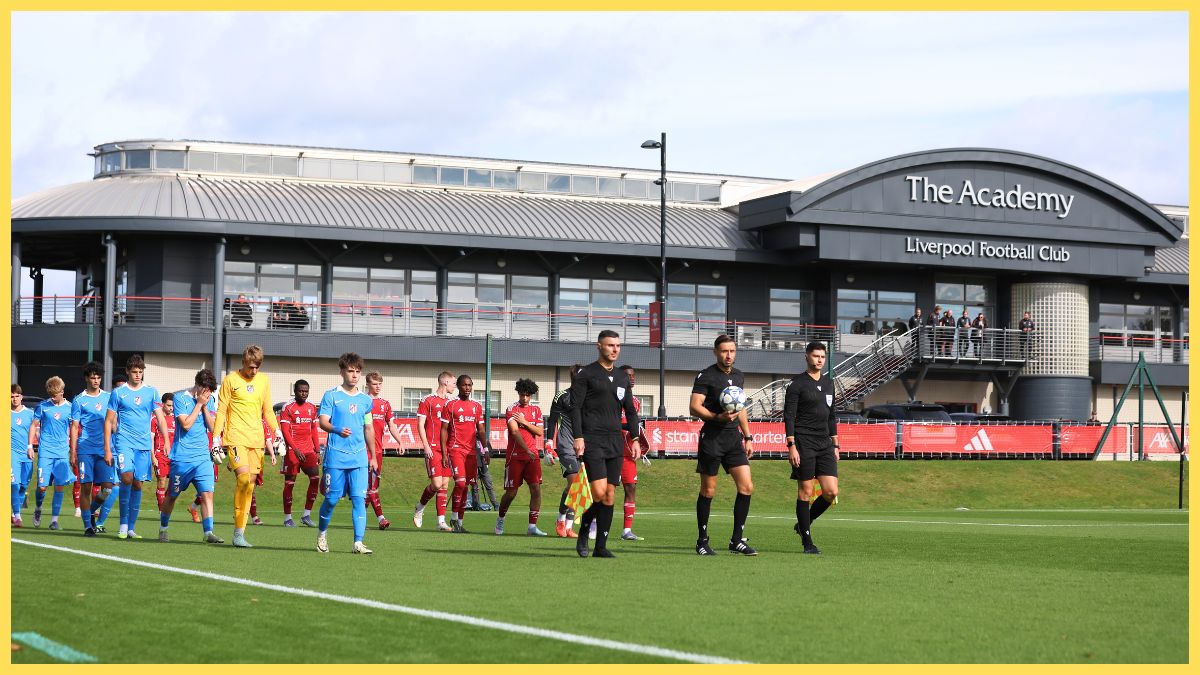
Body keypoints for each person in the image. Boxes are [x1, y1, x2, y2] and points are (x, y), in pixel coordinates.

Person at [570, 330, 646, 559]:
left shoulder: (623, 377)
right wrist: (578, 436)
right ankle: (584, 530)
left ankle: (600, 547)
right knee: (599, 492)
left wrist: (634, 438)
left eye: (618, 345)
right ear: (599, 346)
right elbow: (575, 408)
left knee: (610, 496)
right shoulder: (586, 374)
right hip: (592, 439)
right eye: (610, 345)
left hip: (615, 441)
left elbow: (630, 411)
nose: (615, 349)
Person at [689, 334, 757, 556]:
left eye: (732, 351)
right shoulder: (706, 375)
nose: (729, 355)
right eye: (725, 351)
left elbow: (741, 409)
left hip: (733, 440)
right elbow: (694, 406)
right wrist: (716, 418)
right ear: (716, 352)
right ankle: (702, 541)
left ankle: (736, 540)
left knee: (746, 487)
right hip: (712, 438)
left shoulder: (738, 376)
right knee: (708, 491)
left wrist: (747, 437)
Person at [212, 344, 279, 548]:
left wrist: (278, 433)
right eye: (251, 366)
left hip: (256, 440)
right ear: (243, 363)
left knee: (249, 485)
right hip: (235, 438)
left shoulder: (264, 381)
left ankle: (239, 533)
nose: (254, 370)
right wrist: (216, 438)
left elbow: (268, 410)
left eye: (257, 366)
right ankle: (238, 530)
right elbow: (222, 410)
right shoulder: (230, 380)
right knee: (242, 479)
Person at [315, 352, 378, 554]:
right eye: (350, 371)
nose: (354, 375)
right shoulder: (331, 395)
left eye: (358, 372)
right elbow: (323, 421)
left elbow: (369, 428)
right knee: (332, 499)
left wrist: (373, 456)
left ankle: (358, 543)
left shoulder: (365, 400)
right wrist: (336, 429)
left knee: (360, 499)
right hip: (336, 456)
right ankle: (322, 534)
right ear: (342, 371)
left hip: (359, 457)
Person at [784, 341, 840, 555]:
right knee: (805, 492)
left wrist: (835, 443)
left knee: (831, 492)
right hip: (803, 442)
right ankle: (808, 542)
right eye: (815, 356)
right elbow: (789, 416)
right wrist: (791, 445)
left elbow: (831, 415)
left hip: (825, 444)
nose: (819, 360)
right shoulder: (797, 384)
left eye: (822, 357)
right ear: (807, 356)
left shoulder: (829, 384)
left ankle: (804, 524)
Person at [104, 354, 169, 540]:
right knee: (126, 477)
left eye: (140, 372)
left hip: (143, 445)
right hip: (124, 442)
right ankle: (123, 524)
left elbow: (160, 418)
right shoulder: (118, 393)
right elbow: (108, 421)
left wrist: (166, 441)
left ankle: (131, 527)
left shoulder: (152, 392)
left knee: (137, 483)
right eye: (134, 372)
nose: (138, 375)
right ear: (127, 372)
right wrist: (107, 448)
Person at [157, 369, 223, 544]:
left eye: (210, 391)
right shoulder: (180, 398)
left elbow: (212, 427)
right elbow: (186, 424)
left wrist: (205, 406)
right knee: (172, 495)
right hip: (182, 458)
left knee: (207, 494)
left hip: (203, 457)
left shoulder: (209, 400)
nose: (208, 393)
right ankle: (163, 528)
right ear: (198, 385)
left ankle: (208, 532)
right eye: (205, 390)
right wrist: (199, 404)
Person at [440, 375, 491, 533]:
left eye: (470, 385)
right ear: (459, 387)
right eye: (464, 385)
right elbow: (443, 430)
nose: (467, 388)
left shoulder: (476, 406)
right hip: (456, 450)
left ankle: (459, 523)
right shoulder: (451, 405)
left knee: (466, 486)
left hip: (471, 453)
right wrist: (444, 453)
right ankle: (454, 517)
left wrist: (485, 449)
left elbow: (481, 430)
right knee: (460, 483)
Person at [495, 378, 546, 536]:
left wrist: (525, 422)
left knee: (536, 489)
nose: (524, 398)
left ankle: (532, 527)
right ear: (518, 393)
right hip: (515, 456)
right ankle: (500, 519)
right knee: (511, 493)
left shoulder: (536, 411)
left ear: (531, 395)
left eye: (527, 395)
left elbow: (539, 432)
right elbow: (515, 432)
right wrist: (526, 449)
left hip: (532, 457)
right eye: (522, 394)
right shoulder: (511, 409)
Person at [70, 362, 114, 535]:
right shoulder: (79, 400)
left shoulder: (109, 397)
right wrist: (73, 451)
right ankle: (88, 526)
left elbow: (113, 420)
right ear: (86, 378)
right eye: (92, 377)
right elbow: (74, 427)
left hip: (104, 449)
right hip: (85, 449)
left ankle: (90, 512)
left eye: (98, 377)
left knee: (108, 488)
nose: (96, 380)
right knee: (86, 487)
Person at [30, 377, 74, 529]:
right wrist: (30, 446)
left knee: (60, 485)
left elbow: (74, 428)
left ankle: (54, 521)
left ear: (62, 392)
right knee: (42, 487)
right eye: (50, 395)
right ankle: (38, 508)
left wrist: (73, 449)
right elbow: (34, 425)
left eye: (54, 395)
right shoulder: (42, 406)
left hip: (62, 452)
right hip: (45, 452)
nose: (52, 398)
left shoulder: (70, 407)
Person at [545, 364, 582, 538]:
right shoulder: (562, 396)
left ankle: (568, 527)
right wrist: (548, 444)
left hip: (584, 448)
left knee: (579, 487)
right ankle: (560, 520)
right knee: (574, 483)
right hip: (566, 446)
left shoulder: (590, 398)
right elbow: (552, 420)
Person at [414, 371, 454, 531]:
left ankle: (441, 522)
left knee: (444, 484)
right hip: (432, 448)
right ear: (445, 382)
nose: (454, 386)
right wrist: (426, 445)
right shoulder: (428, 400)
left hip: (446, 450)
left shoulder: (452, 403)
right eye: (452, 383)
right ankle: (420, 507)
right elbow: (420, 425)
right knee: (436, 484)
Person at [364, 371, 404, 530]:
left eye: (380, 383)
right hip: (364, 450)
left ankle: (362, 518)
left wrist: (400, 440)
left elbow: (392, 425)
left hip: (378, 451)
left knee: (372, 486)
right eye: (374, 383)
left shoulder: (385, 404)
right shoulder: (362, 401)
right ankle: (381, 518)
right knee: (371, 486)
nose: (378, 386)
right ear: (367, 384)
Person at [280, 379, 321, 527]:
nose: (304, 393)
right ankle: (287, 518)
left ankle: (306, 515)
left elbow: (314, 430)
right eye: (301, 391)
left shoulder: (312, 407)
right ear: (295, 391)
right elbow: (285, 431)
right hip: (292, 451)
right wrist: (294, 449)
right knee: (290, 483)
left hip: (308, 450)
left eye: (306, 391)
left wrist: (317, 450)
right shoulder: (288, 407)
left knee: (315, 478)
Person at [618, 365, 651, 541]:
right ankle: (593, 525)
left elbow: (632, 425)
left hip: (628, 454)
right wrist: (631, 428)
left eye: (633, 375)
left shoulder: (635, 402)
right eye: (628, 375)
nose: (632, 378)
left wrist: (638, 435)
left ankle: (626, 531)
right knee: (603, 491)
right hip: (611, 451)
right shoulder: (612, 398)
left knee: (630, 488)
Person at [11, 385, 34, 527]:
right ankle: (18, 516)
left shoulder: (30, 414)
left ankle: (13, 512)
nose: (14, 399)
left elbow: (36, 432)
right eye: (11, 396)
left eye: (16, 396)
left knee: (23, 486)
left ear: (21, 396)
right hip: (11, 454)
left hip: (27, 455)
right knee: (14, 484)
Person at [151, 392, 175, 512]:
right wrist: (153, 456)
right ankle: (162, 510)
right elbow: (150, 438)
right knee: (162, 480)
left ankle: (166, 504)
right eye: (169, 405)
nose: (171, 408)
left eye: (172, 406)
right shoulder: (155, 419)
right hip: (160, 454)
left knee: (174, 484)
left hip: (174, 456)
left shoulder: (176, 419)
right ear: (162, 404)